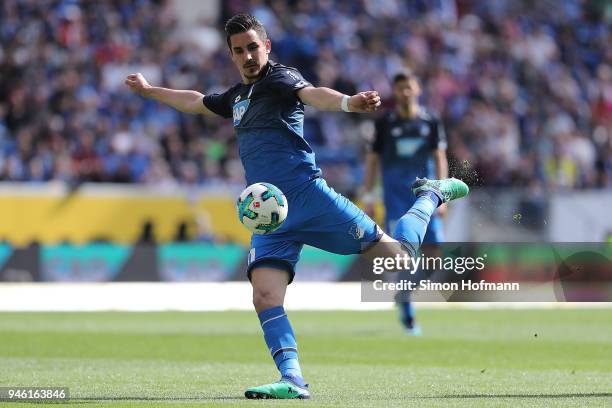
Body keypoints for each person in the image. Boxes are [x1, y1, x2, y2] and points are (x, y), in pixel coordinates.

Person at [125, 14, 468, 400]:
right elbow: (196, 102)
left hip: (309, 197)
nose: (248, 56)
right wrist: (152, 91)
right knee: (264, 296)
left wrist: (349, 103)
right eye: (239, 51)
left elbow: (314, 94)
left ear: (266, 46)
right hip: (270, 217)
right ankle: (292, 380)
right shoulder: (237, 97)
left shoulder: (282, 79)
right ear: (231, 55)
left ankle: (431, 194)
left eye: (253, 47)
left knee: (400, 259)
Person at [362, 71, 449, 335]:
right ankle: (408, 314)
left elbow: (440, 156)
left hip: (426, 199)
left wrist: (443, 194)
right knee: (403, 257)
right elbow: (373, 160)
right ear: (395, 91)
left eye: (409, 87)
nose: (405, 93)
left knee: (434, 260)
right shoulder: (385, 123)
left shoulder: (430, 120)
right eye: (400, 88)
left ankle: (403, 293)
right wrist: (368, 196)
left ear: (418, 89)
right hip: (396, 200)